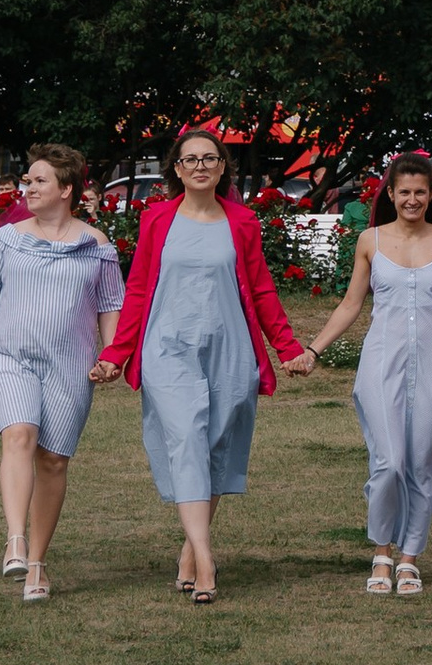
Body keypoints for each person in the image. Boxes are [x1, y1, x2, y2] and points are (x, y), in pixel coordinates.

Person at [93, 129, 315, 603]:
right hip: (167, 347)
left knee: (213, 446)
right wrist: (115, 353)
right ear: (176, 169)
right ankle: (207, 561)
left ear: (221, 168)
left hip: (229, 347)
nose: (199, 166)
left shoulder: (243, 221)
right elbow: (138, 290)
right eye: (190, 159)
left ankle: (190, 551)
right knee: (187, 438)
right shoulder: (156, 220)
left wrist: (287, 347)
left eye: (209, 159)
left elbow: (261, 289)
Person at [0, 143, 125, 601]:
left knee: (53, 460)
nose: (28, 188)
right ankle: (15, 539)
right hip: (10, 355)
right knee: (19, 434)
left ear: (66, 190)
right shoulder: (8, 239)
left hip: (70, 364)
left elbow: (111, 304)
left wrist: (112, 355)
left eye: (39, 181)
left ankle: (37, 563)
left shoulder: (97, 246)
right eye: (28, 181)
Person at [303, 151, 432, 595]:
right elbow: (351, 304)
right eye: (404, 191)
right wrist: (313, 350)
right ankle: (382, 551)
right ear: (390, 194)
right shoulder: (369, 240)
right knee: (388, 462)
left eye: (420, 192)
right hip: (380, 362)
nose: (412, 199)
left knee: (422, 462)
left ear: (431, 195)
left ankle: (409, 558)